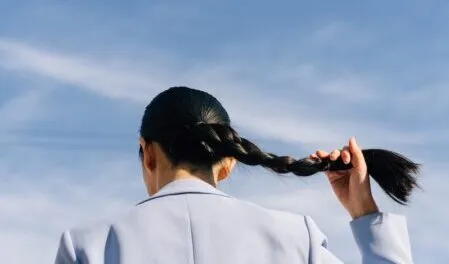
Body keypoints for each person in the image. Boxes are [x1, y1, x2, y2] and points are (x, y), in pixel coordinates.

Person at [54, 87, 416, 264]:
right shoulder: (295, 237)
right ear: (228, 163)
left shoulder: (87, 244)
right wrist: (365, 213)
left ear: (148, 153)